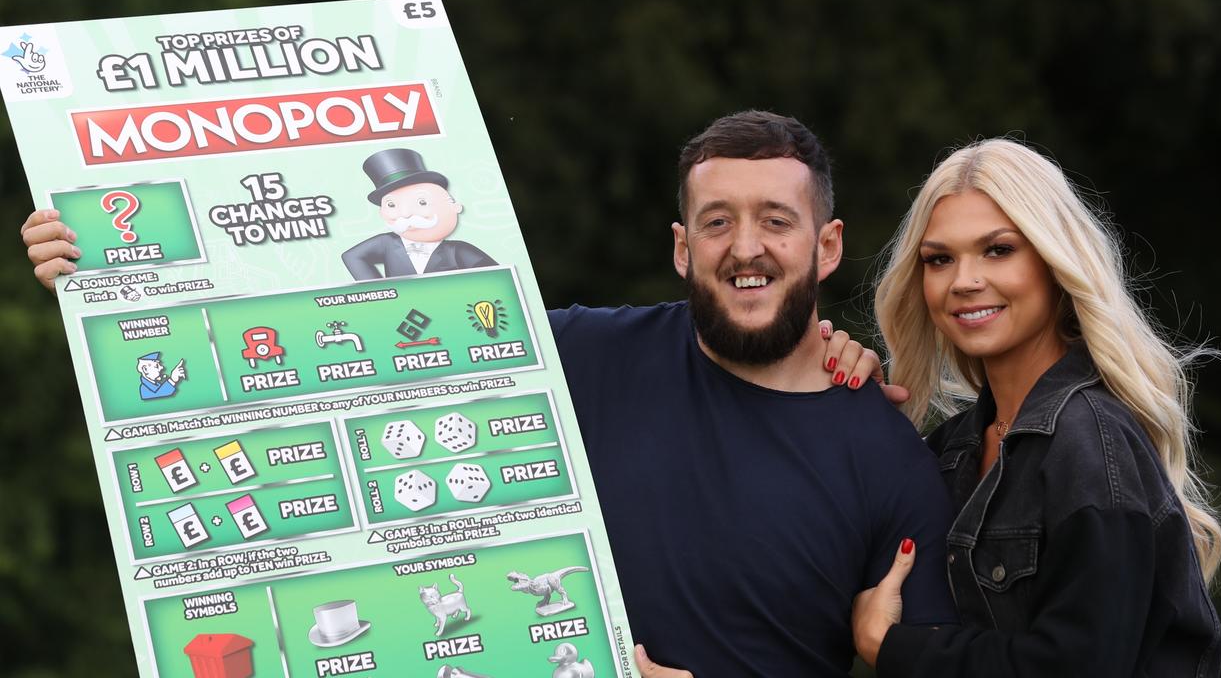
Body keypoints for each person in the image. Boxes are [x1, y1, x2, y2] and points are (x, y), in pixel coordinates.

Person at [21, 111, 953, 677]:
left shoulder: (886, 454)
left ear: (825, 248)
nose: (746, 247)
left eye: (775, 222)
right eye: (719, 222)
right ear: (682, 246)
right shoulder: (576, 355)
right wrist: (114, 277)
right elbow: (344, 339)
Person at [848, 138, 1221, 677]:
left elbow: (1079, 666)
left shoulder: (1090, 441)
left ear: (1053, 262)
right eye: (939, 259)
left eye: (998, 249)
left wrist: (893, 648)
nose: (964, 281)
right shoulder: (952, 449)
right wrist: (834, 402)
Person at [341, 147, 496, 280]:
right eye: (392, 205)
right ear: (382, 213)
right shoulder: (386, 243)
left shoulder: (457, 250)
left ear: (455, 207)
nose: (406, 213)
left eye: (422, 202)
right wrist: (381, 292)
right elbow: (352, 256)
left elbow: (496, 276)